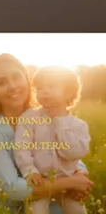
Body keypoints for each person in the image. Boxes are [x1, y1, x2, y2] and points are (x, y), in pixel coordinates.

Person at [0, 54, 93, 212]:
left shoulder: (46, 114)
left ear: (27, 80)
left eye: (17, 77)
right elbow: (11, 188)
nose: (12, 86)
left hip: (47, 196)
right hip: (6, 207)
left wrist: (80, 173)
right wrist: (71, 182)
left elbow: (64, 150)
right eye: (1, 83)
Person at [13, 66, 91, 214]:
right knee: (35, 211)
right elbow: (22, 147)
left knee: (78, 211)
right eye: (40, 88)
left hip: (67, 182)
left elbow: (73, 153)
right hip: (40, 181)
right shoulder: (29, 118)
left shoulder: (79, 126)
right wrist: (30, 172)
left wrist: (59, 121)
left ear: (68, 92)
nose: (45, 91)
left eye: (52, 86)